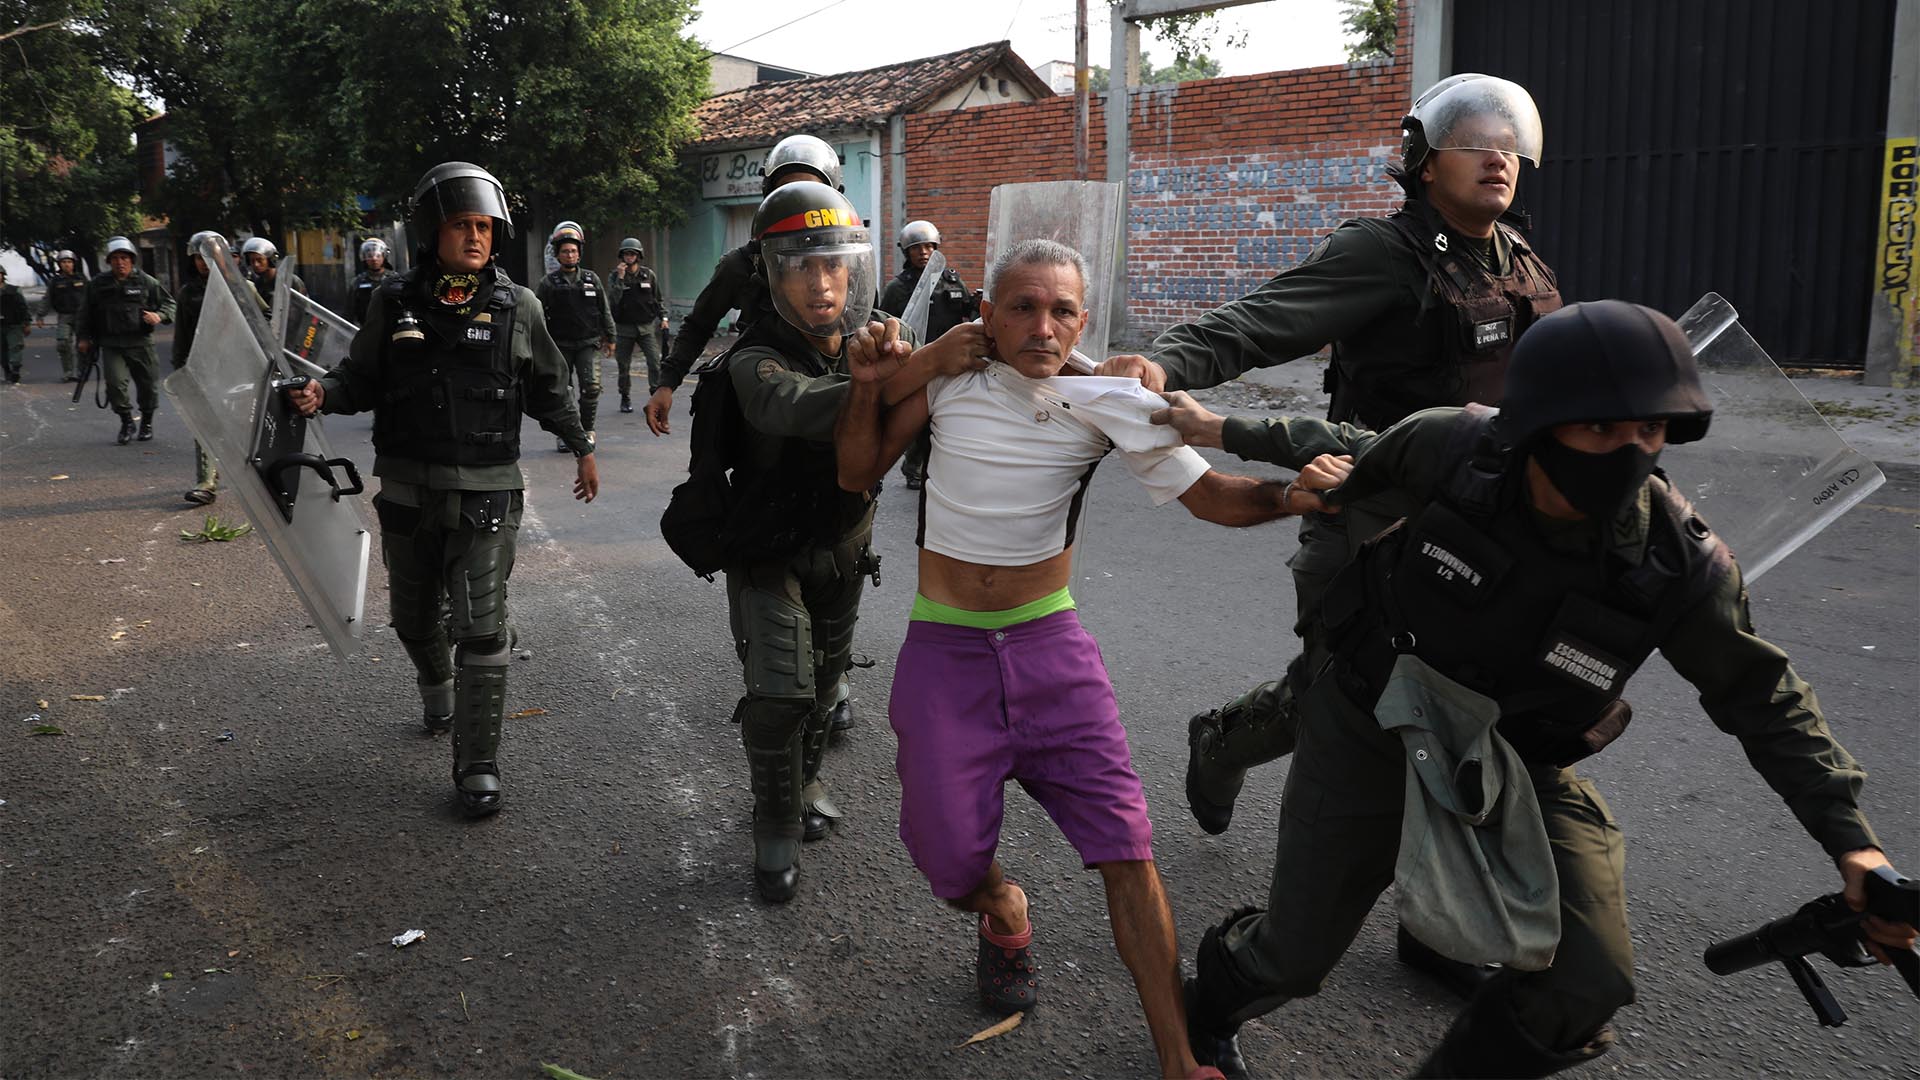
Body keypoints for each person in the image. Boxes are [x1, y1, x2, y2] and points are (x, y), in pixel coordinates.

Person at [1152, 300, 1917, 1079]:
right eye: (1598, 430)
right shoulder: (1454, 447)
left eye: (1648, 431)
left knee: (1587, 980)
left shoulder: (1674, 565)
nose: (1627, 452)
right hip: (1370, 713)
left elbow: (1763, 696)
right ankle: (1207, 1009)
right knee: (1295, 955)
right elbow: (1353, 450)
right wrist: (1227, 431)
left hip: (1512, 759)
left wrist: (1853, 844)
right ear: (1538, 424)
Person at [1100, 74, 1561, 991]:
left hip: (1480, 529)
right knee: (1354, 707)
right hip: (1372, 519)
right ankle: (1225, 743)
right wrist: (1166, 362)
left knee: (1472, 709)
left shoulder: (1516, 258)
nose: (1498, 151)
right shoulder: (1385, 254)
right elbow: (1267, 318)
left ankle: (1438, 921)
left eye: (1510, 137)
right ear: (1424, 160)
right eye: (1474, 135)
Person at [835, 238, 1338, 1080]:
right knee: (948, 860)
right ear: (987, 313)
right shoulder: (949, 375)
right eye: (1023, 307)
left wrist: (1294, 495)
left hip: (1050, 645)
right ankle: (1001, 903)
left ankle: (1179, 1057)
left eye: (1063, 310)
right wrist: (871, 381)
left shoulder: (1109, 399)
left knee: (1127, 848)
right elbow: (856, 470)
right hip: (944, 649)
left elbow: (1212, 495)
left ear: (1084, 320)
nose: (1043, 326)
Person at [283, 162, 599, 818]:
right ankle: (436, 687)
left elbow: (548, 388)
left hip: (487, 493)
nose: (476, 237)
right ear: (433, 232)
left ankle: (477, 765)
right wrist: (321, 394)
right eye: (462, 225)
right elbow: (358, 377)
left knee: (483, 631)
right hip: (405, 491)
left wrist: (582, 446)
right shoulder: (392, 300)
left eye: (484, 226)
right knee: (414, 621)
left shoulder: (520, 306)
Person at [643, 132, 843, 438]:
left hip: (831, 387)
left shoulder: (846, 261)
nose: (800, 202)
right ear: (769, 196)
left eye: (810, 190)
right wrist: (666, 384)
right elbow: (699, 325)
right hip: (765, 388)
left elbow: (864, 319)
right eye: (787, 191)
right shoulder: (743, 264)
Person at [875, 219, 978, 489]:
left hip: (953, 359)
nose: (923, 252)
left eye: (929, 247)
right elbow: (885, 321)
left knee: (950, 415)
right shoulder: (898, 288)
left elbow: (969, 313)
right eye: (917, 248)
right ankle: (913, 465)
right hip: (918, 359)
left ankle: (940, 466)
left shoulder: (952, 281)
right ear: (906, 252)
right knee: (921, 418)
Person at [174, 230, 268, 505]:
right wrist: (181, 370)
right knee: (205, 423)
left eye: (208, 255)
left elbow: (266, 321)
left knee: (246, 423)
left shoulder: (244, 288)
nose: (203, 262)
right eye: (198, 257)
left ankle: (261, 475)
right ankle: (206, 482)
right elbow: (182, 334)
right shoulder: (187, 293)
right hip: (204, 366)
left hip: (240, 366)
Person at [76, 236, 175, 445]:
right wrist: (84, 337)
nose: (120, 262)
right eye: (115, 258)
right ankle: (127, 421)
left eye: (124, 258)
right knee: (115, 385)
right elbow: (85, 313)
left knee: (148, 386)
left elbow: (169, 304)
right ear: (109, 261)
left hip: (141, 343)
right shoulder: (97, 285)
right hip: (112, 345)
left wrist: (160, 316)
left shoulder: (145, 281)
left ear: (132, 260)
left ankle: (146, 422)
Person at [535, 223, 615, 449]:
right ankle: (565, 434)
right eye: (565, 251)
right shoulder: (548, 283)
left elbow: (604, 309)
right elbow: (537, 316)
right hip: (559, 345)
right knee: (563, 392)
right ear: (558, 255)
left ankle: (587, 430)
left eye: (573, 250)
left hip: (588, 344)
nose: (569, 255)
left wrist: (611, 337)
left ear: (579, 253)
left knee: (591, 388)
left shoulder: (592, 279)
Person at [607, 237, 666, 415]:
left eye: (632, 253)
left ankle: (654, 396)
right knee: (623, 366)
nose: (629, 256)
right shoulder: (615, 276)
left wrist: (664, 317)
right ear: (622, 256)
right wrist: (620, 278)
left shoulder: (648, 275)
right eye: (626, 253)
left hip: (646, 327)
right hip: (624, 329)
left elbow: (658, 299)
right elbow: (612, 301)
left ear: (638, 255)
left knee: (655, 363)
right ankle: (625, 396)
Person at [40, 251, 88, 381]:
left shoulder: (81, 279)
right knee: (63, 343)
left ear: (74, 264)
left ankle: (81, 372)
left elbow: (91, 297)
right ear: (59, 264)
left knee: (83, 345)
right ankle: (68, 372)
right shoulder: (55, 281)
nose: (67, 265)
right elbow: (47, 299)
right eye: (64, 262)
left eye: (69, 262)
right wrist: (40, 315)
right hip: (64, 316)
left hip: (81, 317)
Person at [241, 237, 306, 298]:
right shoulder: (258, 283)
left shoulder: (291, 281)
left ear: (271, 260)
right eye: (252, 261)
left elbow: (305, 307)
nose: (256, 264)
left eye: (259, 260)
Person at [350, 237, 394, 325]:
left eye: (378, 256)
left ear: (384, 257)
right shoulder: (358, 282)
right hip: (366, 328)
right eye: (369, 256)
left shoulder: (394, 279)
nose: (374, 259)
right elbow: (349, 312)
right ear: (364, 258)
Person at [0, 267, 29, 383]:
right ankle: (7, 370)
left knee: (15, 348)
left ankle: (15, 370)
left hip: (14, 325)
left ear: (3, 275)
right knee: (2, 352)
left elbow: (23, 307)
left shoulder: (14, 290)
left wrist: (26, 323)